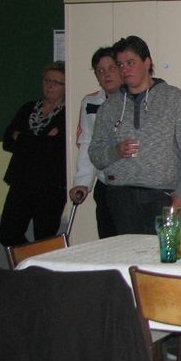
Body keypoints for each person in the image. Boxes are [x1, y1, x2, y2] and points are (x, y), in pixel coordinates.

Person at [89, 35, 181, 235]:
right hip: (120, 197)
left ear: (147, 63)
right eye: (120, 64)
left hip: (163, 196)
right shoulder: (110, 106)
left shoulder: (174, 98)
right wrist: (115, 152)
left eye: (130, 63)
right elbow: (95, 155)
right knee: (125, 254)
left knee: (164, 254)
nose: (125, 69)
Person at [0, 61, 67, 247]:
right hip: (20, 182)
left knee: (44, 238)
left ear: (65, 87)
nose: (50, 85)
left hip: (50, 186)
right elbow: (7, 141)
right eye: (47, 80)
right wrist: (43, 139)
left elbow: (55, 149)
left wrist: (22, 137)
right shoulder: (28, 108)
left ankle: (37, 264)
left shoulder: (66, 114)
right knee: (7, 234)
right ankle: (29, 261)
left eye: (56, 82)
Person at [68, 47, 123, 238]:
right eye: (100, 70)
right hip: (104, 182)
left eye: (111, 68)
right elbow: (87, 143)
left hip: (130, 186)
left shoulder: (135, 100)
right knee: (107, 238)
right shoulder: (90, 102)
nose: (106, 74)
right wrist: (82, 182)